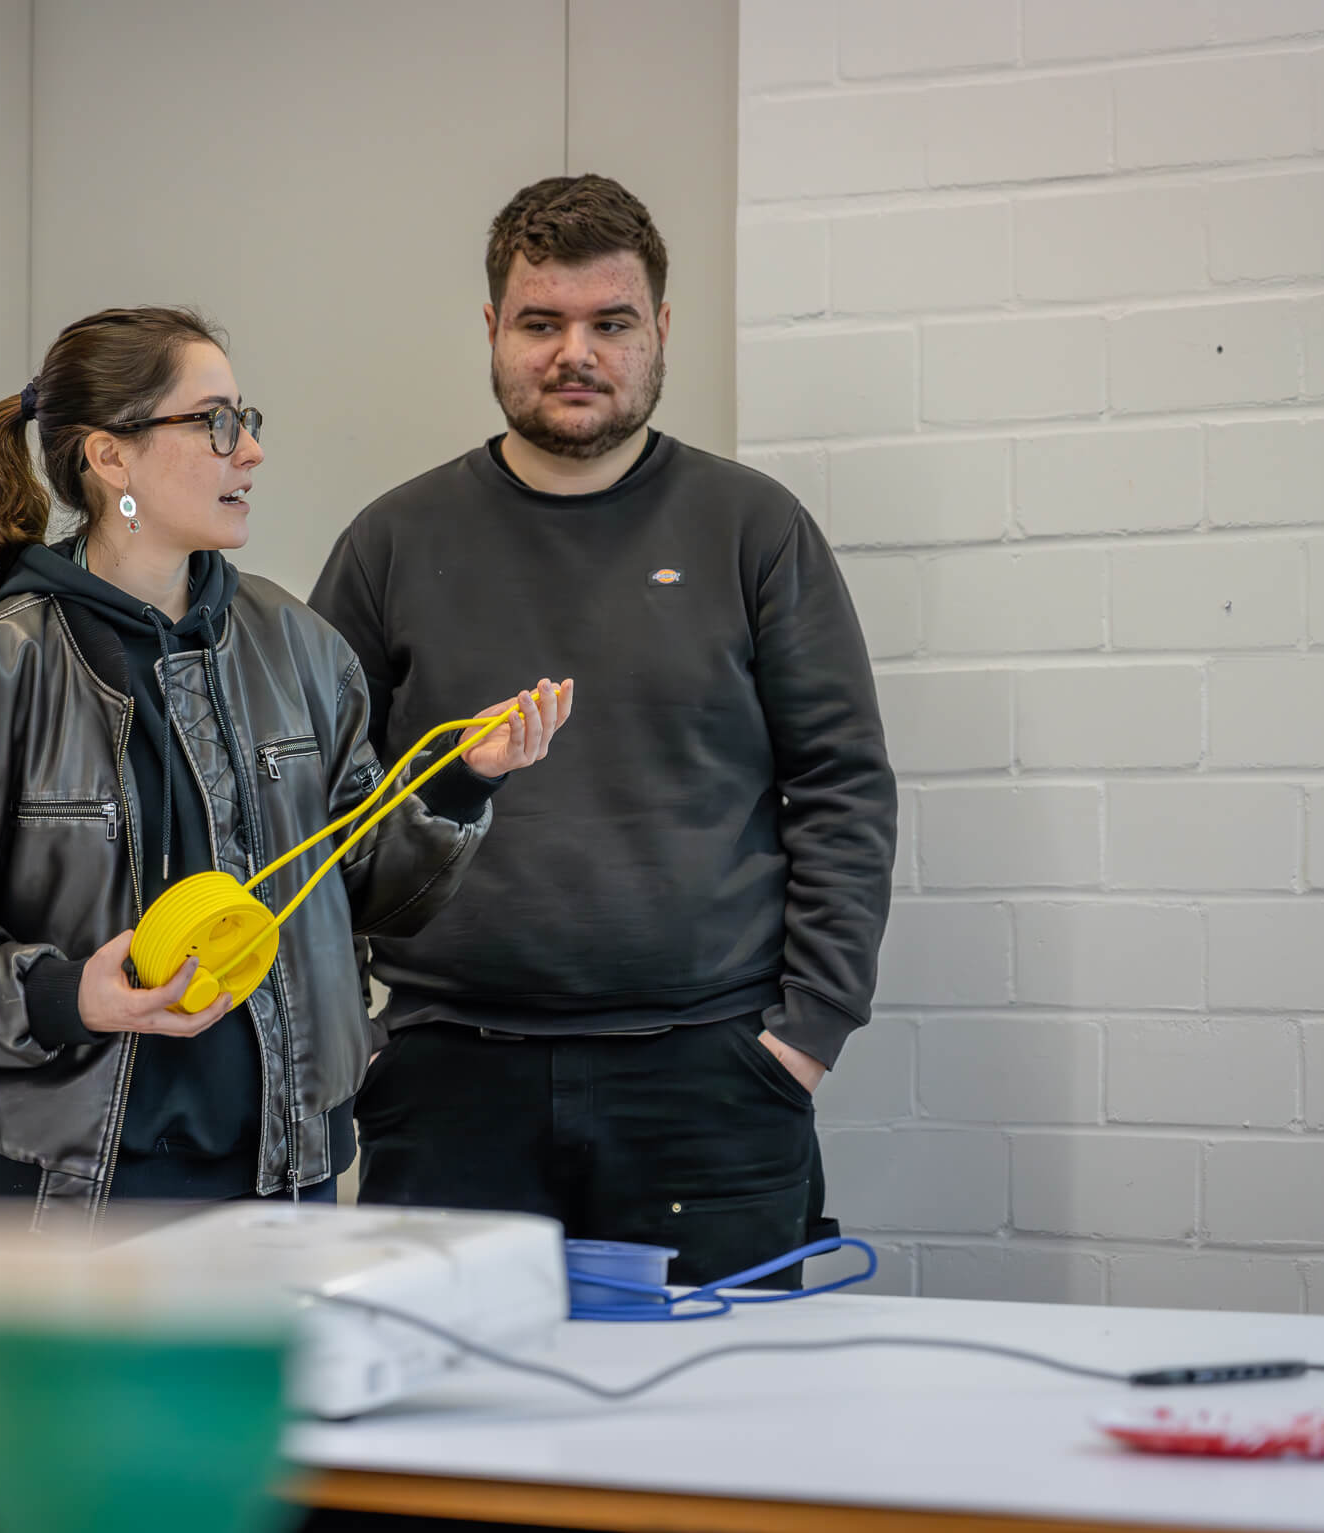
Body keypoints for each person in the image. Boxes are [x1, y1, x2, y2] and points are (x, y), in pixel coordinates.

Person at [0, 306, 571, 1225]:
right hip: (67, 1193)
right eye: (216, 423)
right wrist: (71, 995)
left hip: (281, 1172)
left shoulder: (299, 646)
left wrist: (467, 779)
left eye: (248, 420)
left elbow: (367, 892)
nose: (251, 451)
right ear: (112, 459)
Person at [309, 176, 895, 1285]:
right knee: (448, 1435)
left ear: (658, 332)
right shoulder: (390, 542)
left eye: (609, 323)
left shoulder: (751, 531)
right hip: (446, 1084)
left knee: (716, 1435)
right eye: (541, 323)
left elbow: (839, 787)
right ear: (492, 331)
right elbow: (314, 813)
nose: (573, 351)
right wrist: (359, 1043)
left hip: (713, 1086)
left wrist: (803, 1036)